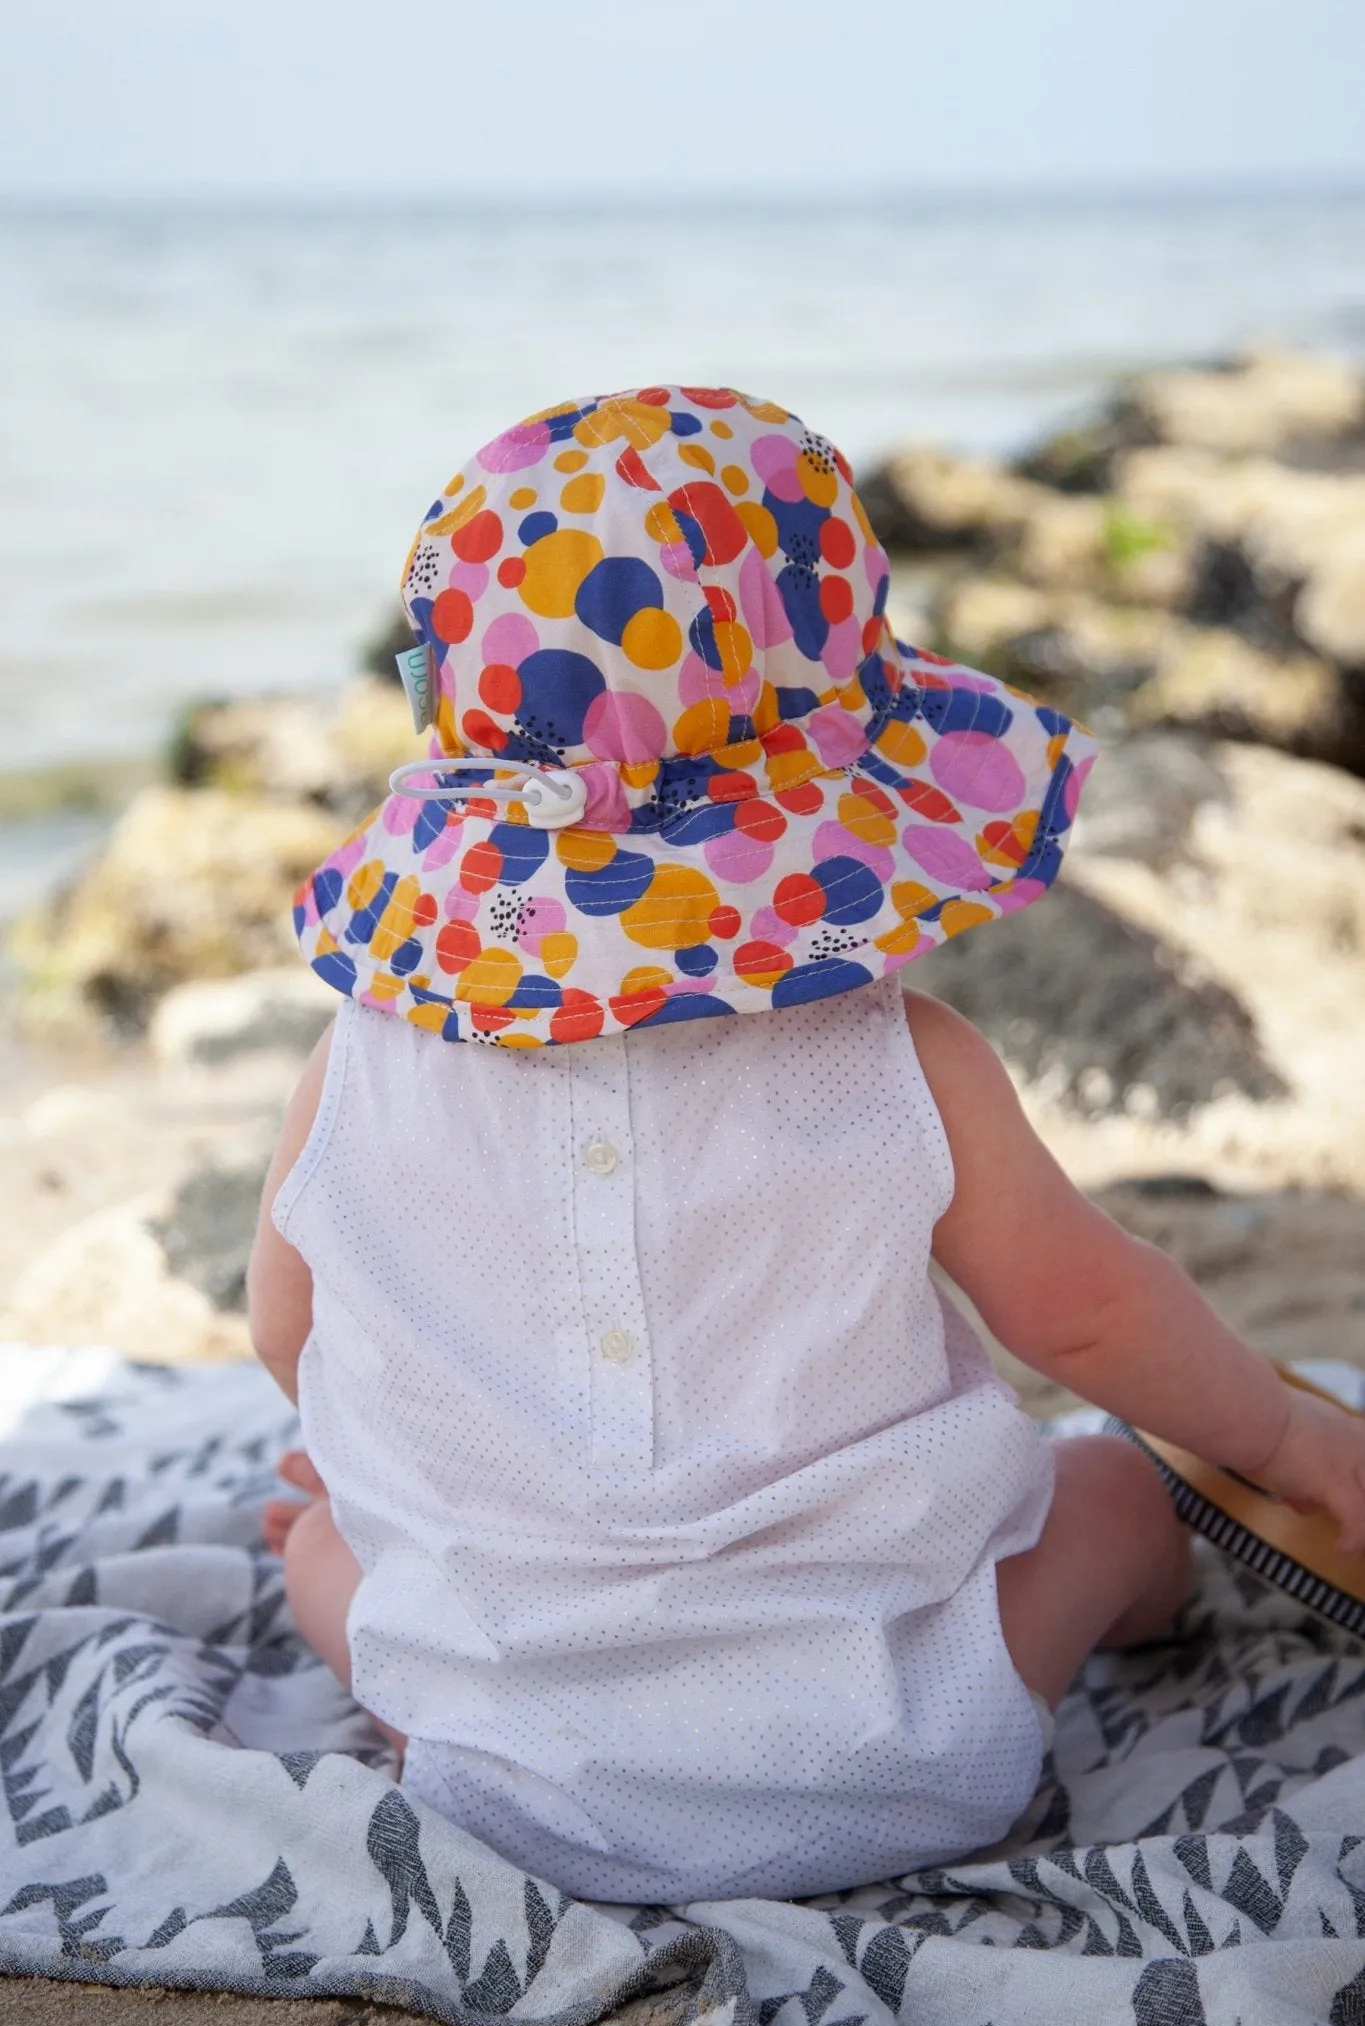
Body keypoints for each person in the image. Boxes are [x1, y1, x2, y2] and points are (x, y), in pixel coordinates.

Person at [247, 386, 1365, 1905]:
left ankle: (418, 1653)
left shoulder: (357, 1064)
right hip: (901, 1754)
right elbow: (1091, 1312)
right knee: (1107, 1489)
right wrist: (1287, 1442)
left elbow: (288, 1326)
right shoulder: (903, 1060)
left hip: (503, 1778)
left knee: (330, 1546)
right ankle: (1152, 1605)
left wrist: (379, 1461)